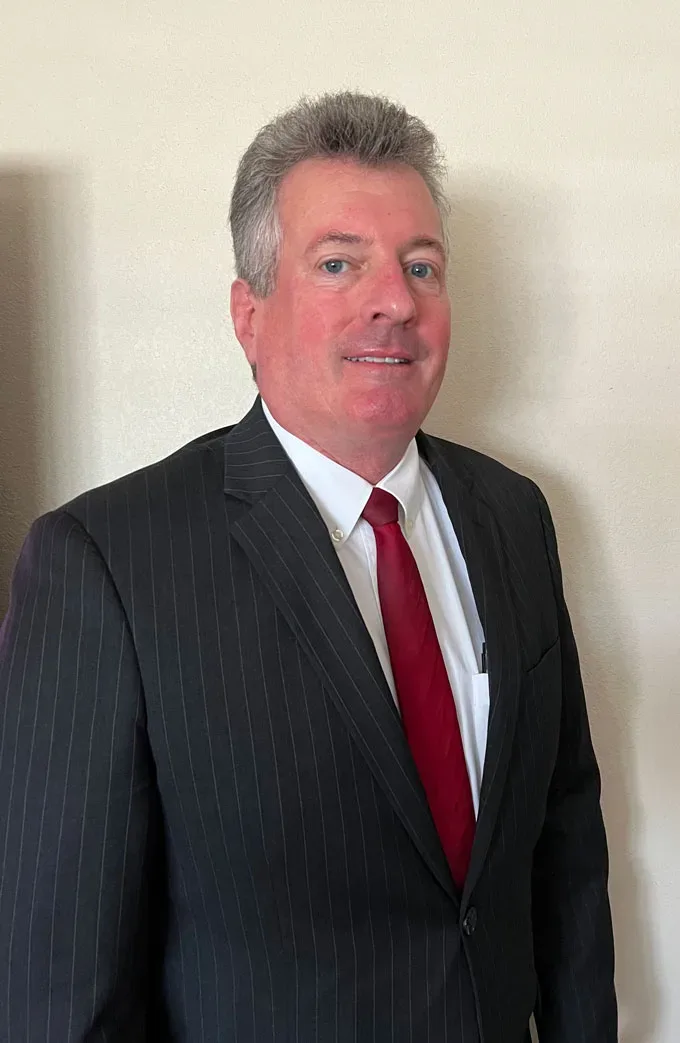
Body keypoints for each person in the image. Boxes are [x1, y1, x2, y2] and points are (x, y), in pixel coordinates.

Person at [0, 92, 617, 1043]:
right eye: (339, 264)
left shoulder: (516, 517)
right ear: (248, 315)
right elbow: (59, 990)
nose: (395, 299)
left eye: (423, 266)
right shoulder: (106, 564)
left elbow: (564, 842)